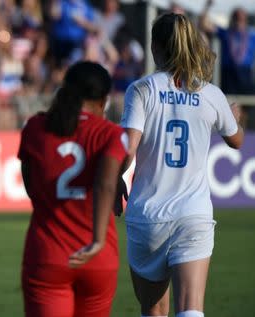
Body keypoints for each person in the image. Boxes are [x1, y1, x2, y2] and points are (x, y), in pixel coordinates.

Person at [120, 13, 244, 317]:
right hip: (193, 215)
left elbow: (127, 150)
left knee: (154, 310)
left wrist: (113, 183)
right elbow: (237, 141)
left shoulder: (142, 89)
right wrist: (233, 118)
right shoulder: (211, 93)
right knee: (191, 309)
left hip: (148, 216)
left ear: (157, 47)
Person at [18, 61, 128, 317]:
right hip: (99, 257)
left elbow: (31, 185)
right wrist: (98, 240)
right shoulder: (110, 133)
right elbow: (105, 183)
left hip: (48, 253)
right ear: (103, 99)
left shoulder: (35, 127)